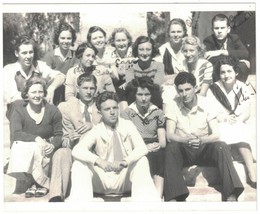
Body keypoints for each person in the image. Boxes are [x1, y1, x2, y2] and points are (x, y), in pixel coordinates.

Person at [164, 72, 244, 202]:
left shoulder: (207, 103)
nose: (184, 94)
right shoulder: (172, 104)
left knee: (221, 146)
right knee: (171, 147)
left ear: (195, 88)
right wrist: (186, 140)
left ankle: (231, 195)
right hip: (184, 150)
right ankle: (175, 197)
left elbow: (216, 134)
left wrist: (201, 140)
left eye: (188, 89)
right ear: (176, 90)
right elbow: (170, 135)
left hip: (204, 149)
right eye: (181, 91)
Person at [68, 91, 161, 202]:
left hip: (124, 178)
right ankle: (80, 206)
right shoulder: (97, 129)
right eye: (107, 109)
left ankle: (147, 206)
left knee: (142, 160)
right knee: (78, 164)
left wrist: (125, 161)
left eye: (115, 108)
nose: (112, 112)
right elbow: (77, 150)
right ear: (100, 112)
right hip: (103, 179)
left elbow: (142, 148)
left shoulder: (128, 125)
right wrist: (98, 161)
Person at [7, 77, 63, 198]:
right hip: (29, 148)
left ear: (44, 93)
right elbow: (16, 133)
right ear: (26, 94)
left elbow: (59, 134)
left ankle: (41, 184)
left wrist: (53, 145)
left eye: (40, 92)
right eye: (33, 92)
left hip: (47, 150)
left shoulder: (53, 110)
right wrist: (37, 138)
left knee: (41, 148)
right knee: (28, 145)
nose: (37, 95)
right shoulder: (19, 110)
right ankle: (32, 182)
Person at [48, 73, 101, 202]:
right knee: (61, 153)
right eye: (85, 88)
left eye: (92, 88)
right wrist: (70, 139)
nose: (89, 92)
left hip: (98, 152)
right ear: (77, 88)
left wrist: (94, 126)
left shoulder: (103, 106)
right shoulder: (65, 107)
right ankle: (56, 197)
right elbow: (62, 139)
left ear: (96, 89)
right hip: (74, 150)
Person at [206, 56, 256, 189]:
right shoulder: (213, 89)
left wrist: (239, 119)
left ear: (236, 73)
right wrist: (224, 118)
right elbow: (211, 112)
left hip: (237, 121)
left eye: (229, 71)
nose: (226, 75)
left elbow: (247, 112)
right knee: (226, 130)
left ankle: (253, 175)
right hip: (221, 122)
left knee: (242, 129)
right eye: (222, 72)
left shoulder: (243, 88)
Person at [121, 77, 166, 198]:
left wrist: (156, 145)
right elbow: (126, 140)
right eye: (140, 94)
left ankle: (158, 196)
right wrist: (144, 147)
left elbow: (162, 141)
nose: (144, 98)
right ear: (134, 95)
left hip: (154, 145)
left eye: (147, 94)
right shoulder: (127, 113)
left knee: (160, 155)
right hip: (135, 145)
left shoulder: (158, 113)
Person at [3, 35, 65, 106]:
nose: (28, 56)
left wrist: (51, 89)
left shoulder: (39, 65)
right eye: (24, 53)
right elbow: (14, 97)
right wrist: (41, 96)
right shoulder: (8, 70)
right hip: (18, 111)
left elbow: (61, 76)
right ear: (16, 53)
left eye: (30, 52)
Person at [203, 13, 250, 82]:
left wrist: (222, 52)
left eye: (222, 28)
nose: (219, 31)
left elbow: (245, 53)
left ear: (228, 29)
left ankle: (238, 88)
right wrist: (237, 60)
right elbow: (212, 60)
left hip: (232, 73)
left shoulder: (234, 38)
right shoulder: (209, 41)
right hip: (218, 75)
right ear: (212, 30)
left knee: (243, 66)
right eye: (216, 28)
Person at [42, 22, 79, 105]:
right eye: (62, 38)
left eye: (68, 38)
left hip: (70, 97)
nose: (65, 41)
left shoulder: (76, 56)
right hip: (52, 97)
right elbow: (45, 80)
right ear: (57, 39)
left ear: (72, 39)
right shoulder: (49, 56)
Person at [108, 27, 136, 111]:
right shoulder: (111, 55)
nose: (121, 43)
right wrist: (111, 73)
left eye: (123, 40)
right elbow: (116, 79)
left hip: (134, 83)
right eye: (118, 41)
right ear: (113, 41)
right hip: (118, 86)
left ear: (128, 40)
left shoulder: (134, 53)